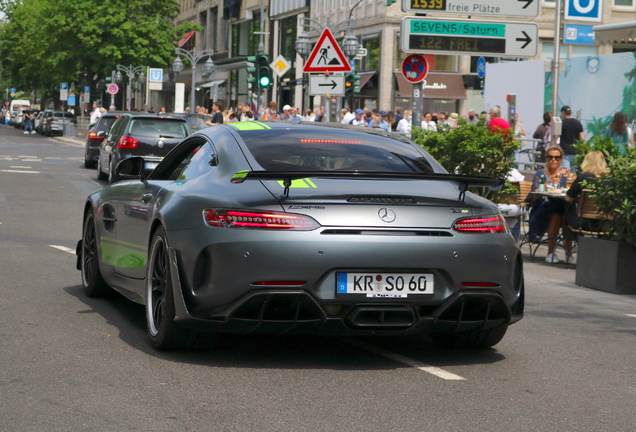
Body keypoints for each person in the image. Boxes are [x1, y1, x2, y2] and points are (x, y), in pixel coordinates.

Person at [528, 145, 573, 263]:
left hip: (561, 205)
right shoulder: (540, 174)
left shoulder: (565, 174)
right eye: (550, 157)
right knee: (556, 216)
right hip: (543, 207)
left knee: (567, 217)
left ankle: (569, 253)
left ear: (561, 159)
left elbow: (572, 191)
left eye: (557, 157)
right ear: (546, 158)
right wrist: (549, 183)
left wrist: (572, 179)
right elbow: (535, 196)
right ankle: (551, 253)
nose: (553, 160)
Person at [565, 151, 608, 234]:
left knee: (565, 211)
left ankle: (573, 243)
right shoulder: (610, 179)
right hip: (605, 223)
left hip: (584, 222)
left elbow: (568, 198)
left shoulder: (583, 177)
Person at [559, 105, 584, 170]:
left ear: (563, 112)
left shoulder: (561, 123)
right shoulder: (578, 123)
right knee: (575, 174)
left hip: (565, 152)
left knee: (566, 173)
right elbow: (582, 138)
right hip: (575, 152)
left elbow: (557, 137)